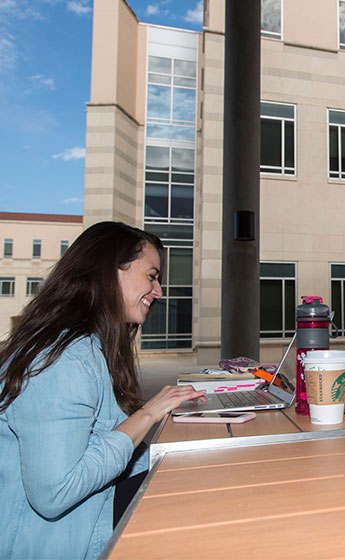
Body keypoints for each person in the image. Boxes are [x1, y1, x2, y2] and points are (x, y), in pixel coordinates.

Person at [0, 222, 206, 560]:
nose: (159, 292)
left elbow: (105, 453)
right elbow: (57, 492)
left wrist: (187, 454)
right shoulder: (65, 356)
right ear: (111, 272)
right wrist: (148, 414)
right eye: (151, 276)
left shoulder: (84, 346)